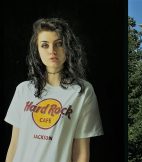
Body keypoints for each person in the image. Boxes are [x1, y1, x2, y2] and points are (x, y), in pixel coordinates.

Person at [5, 18, 103, 162]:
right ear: (37, 50)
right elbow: (14, 145)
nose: (52, 51)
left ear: (68, 48)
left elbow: (81, 152)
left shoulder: (82, 91)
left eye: (59, 44)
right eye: (45, 45)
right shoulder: (23, 90)